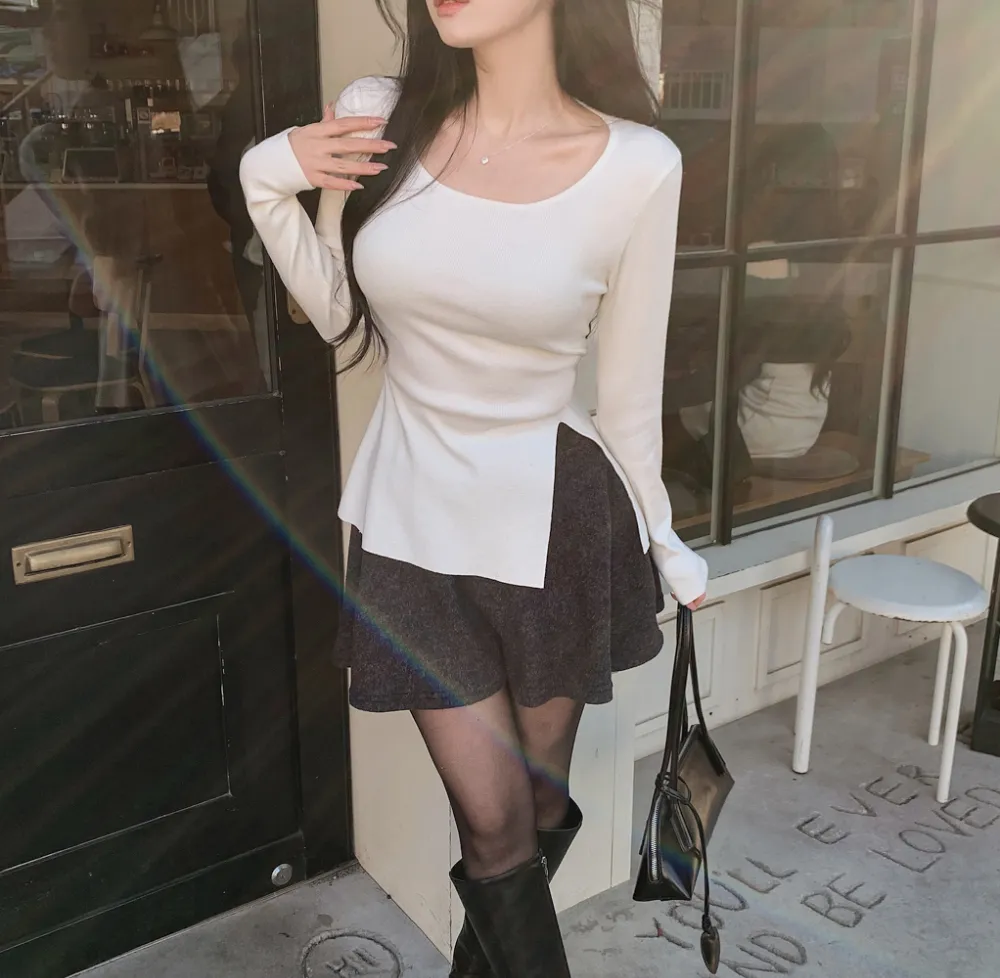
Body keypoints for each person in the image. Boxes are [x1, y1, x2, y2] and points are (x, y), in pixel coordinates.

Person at [240, 1, 708, 974]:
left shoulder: (638, 164)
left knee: (534, 805)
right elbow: (334, 311)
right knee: (493, 823)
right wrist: (265, 181)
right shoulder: (377, 115)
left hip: (556, 518)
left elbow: (628, 397)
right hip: (409, 520)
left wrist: (663, 538)